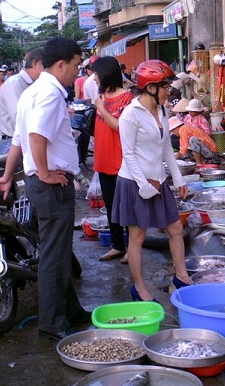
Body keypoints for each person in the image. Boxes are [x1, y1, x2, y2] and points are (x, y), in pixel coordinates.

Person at [0, 37, 90, 341]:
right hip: (50, 185)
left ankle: (72, 311)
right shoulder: (49, 94)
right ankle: (52, 322)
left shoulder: (32, 92)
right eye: (75, 65)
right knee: (54, 257)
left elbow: (17, 140)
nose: (77, 71)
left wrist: (7, 176)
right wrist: (44, 173)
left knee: (56, 250)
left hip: (40, 183)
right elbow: (34, 136)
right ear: (60, 65)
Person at [113, 60, 193, 302]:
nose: (169, 91)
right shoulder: (130, 114)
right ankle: (139, 288)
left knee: (176, 228)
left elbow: (166, 145)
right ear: (149, 87)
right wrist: (144, 186)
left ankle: (182, 275)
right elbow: (128, 154)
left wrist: (178, 178)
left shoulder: (162, 109)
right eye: (164, 86)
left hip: (158, 180)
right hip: (134, 182)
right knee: (137, 237)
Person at [92, 56, 134, 262]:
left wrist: (100, 108)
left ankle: (131, 248)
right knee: (110, 205)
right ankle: (118, 246)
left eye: (96, 74)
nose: (93, 78)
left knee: (126, 205)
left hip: (121, 160)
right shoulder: (102, 96)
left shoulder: (127, 98)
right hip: (103, 159)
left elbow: (120, 127)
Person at [0, 48, 44, 139]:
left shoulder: (34, 84)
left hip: (26, 140)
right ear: (35, 64)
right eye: (47, 68)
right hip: (14, 141)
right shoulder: (14, 84)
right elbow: (19, 119)